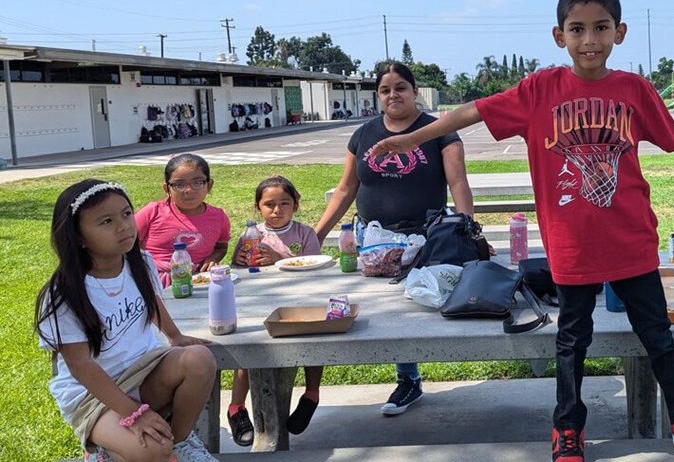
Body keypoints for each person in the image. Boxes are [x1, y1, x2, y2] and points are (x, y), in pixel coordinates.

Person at [368, 0, 674, 462]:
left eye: (600, 28)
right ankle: (567, 428)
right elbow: (471, 111)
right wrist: (414, 139)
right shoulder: (540, 89)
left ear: (619, 32)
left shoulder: (633, 89)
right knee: (572, 339)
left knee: (657, 335)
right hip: (571, 244)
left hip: (631, 240)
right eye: (577, 29)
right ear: (559, 35)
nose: (589, 39)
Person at [314, 62, 476, 417]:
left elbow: (458, 183)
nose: (393, 95)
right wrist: (316, 235)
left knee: (411, 312)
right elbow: (344, 189)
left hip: (423, 239)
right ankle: (407, 378)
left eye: (401, 87)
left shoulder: (438, 130)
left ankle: (408, 380)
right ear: (378, 96)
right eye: (386, 89)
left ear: (415, 91)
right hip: (372, 245)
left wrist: (468, 229)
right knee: (381, 314)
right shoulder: (363, 134)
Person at [35, 179, 218, 462]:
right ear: (79, 237)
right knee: (151, 450)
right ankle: (105, 452)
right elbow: (82, 366)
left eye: (126, 214)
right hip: (92, 395)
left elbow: (152, 300)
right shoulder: (65, 293)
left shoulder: (140, 262)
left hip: (144, 370)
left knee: (199, 359)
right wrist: (134, 414)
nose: (123, 226)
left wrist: (175, 336)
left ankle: (180, 441)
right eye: (106, 221)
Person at [227, 176, 324, 446]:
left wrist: (280, 258)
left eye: (285, 203)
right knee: (250, 350)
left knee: (315, 342)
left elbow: (315, 266)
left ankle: (312, 394)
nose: (277, 210)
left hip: (300, 302)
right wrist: (240, 261)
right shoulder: (251, 234)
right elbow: (239, 268)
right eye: (269, 204)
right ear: (258, 207)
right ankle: (236, 407)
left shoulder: (305, 234)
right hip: (261, 302)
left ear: (296, 205)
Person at [135, 153, 231, 287]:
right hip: (153, 283)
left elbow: (221, 246)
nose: (189, 190)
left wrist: (213, 258)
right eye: (179, 184)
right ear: (167, 188)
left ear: (209, 185)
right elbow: (127, 245)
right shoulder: (152, 212)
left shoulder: (219, 217)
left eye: (197, 183)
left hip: (198, 282)